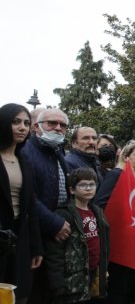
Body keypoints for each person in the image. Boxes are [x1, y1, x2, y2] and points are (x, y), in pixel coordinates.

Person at [22, 108, 72, 303]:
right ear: (36, 127)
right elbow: (27, 196)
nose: (58, 128)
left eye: (63, 125)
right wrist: (53, 223)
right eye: (52, 123)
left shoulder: (57, 152)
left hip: (55, 236)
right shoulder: (26, 152)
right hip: (35, 236)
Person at [94, 140, 135, 304]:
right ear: (126, 157)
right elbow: (100, 204)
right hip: (122, 241)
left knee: (134, 287)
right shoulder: (116, 175)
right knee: (120, 288)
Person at [45, 167, 109, 303]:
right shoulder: (64, 214)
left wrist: (103, 269)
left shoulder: (97, 211)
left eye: (92, 185)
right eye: (83, 185)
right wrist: (58, 284)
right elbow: (54, 252)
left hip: (93, 273)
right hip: (72, 279)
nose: (88, 188)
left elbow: (103, 245)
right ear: (72, 190)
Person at [0, 103, 42, 303]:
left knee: (17, 295)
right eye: (15, 122)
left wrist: (36, 247)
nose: (22, 127)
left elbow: (30, 206)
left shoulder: (24, 161)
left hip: (20, 240)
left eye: (26, 123)